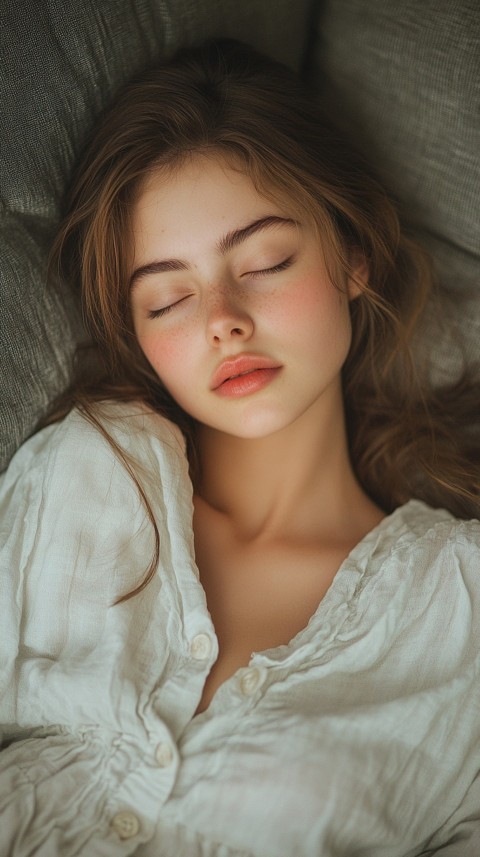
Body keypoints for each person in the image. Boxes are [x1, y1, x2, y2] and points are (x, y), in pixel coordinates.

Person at [0, 38, 479, 857]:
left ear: (352, 256)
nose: (222, 316)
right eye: (169, 298)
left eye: (264, 261)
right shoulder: (82, 477)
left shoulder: (460, 614)